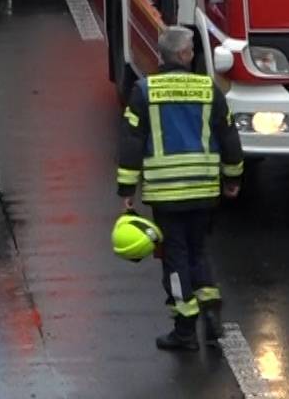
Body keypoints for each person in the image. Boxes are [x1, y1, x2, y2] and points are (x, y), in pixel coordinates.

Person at [116, 25, 243, 352]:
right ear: (185, 55)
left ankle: (185, 330)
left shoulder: (145, 91)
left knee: (175, 258)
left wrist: (126, 189)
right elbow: (229, 136)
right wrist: (232, 179)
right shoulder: (208, 89)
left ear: (163, 54)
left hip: (166, 195)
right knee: (199, 249)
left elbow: (132, 141)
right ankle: (211, 313)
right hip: (204, 191)